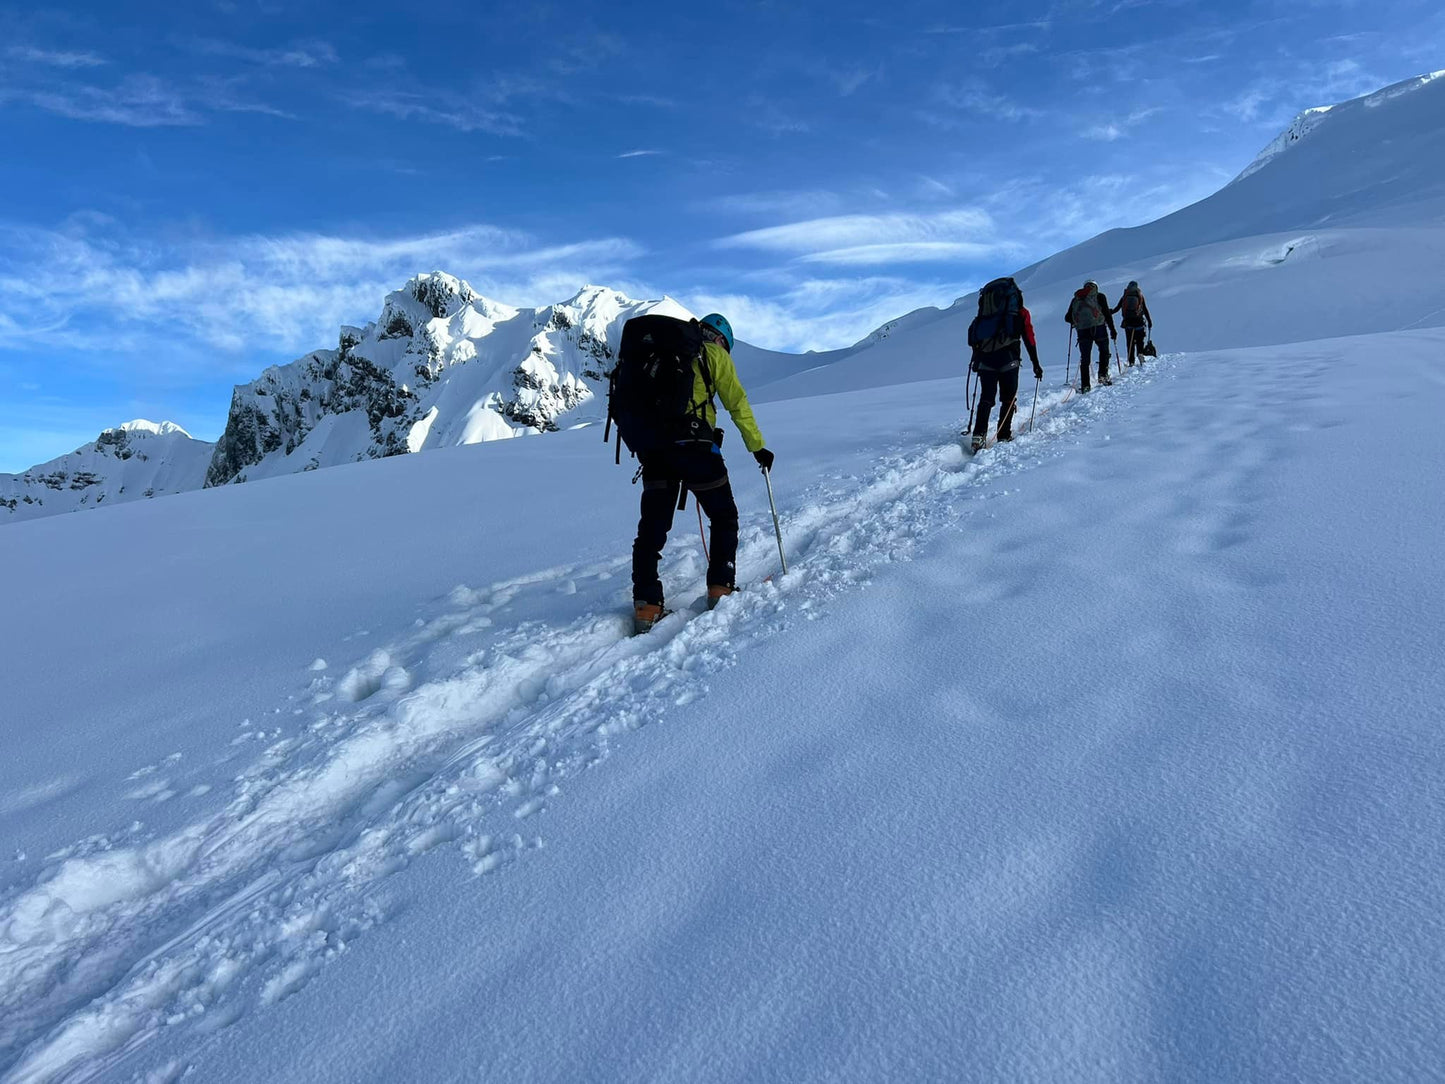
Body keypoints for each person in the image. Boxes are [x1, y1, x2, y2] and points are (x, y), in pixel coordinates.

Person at [630, 313, 773, 634]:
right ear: (721, 339)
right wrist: (757, 446)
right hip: (695, 448)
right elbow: (737, 403)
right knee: (724, 516)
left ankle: (647, 606)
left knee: (652, 529)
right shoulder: (714, 355)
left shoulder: (659, 353)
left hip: (655, 452)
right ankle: (720, 588)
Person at [967, 278, 1043, 452]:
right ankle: (1003, 434)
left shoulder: (984, 316)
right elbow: (1029, 338)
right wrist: (1036, 363)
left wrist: (977, 358)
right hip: (1009, 359)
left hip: (985, 360)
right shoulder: (1020, 313)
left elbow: (972, 338)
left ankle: (978, 436)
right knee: (1008, 397)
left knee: (986, 397)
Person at [1064, 280, 1117, 390]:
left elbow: (1067, 318)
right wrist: (1113, 330)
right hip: (1099, 328)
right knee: (1104, 351)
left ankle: (1085, 385)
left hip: (1083, 331)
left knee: (1085, 358)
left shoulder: (1076, 299)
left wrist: (1078, 322)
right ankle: (1103, 376)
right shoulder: (1100, 296)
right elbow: (1107, 314)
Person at [1111, 280, 1153, 365]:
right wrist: (1149, 321)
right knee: (1140, 341)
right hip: (1139, 323)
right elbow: (1145, 309)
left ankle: (1131, 361)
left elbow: (1117, 308)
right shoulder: (1140, 296)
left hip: (1128, 323)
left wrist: (1108, 312)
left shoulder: (1124, 297)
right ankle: (1140, 355)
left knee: (1130, 343)